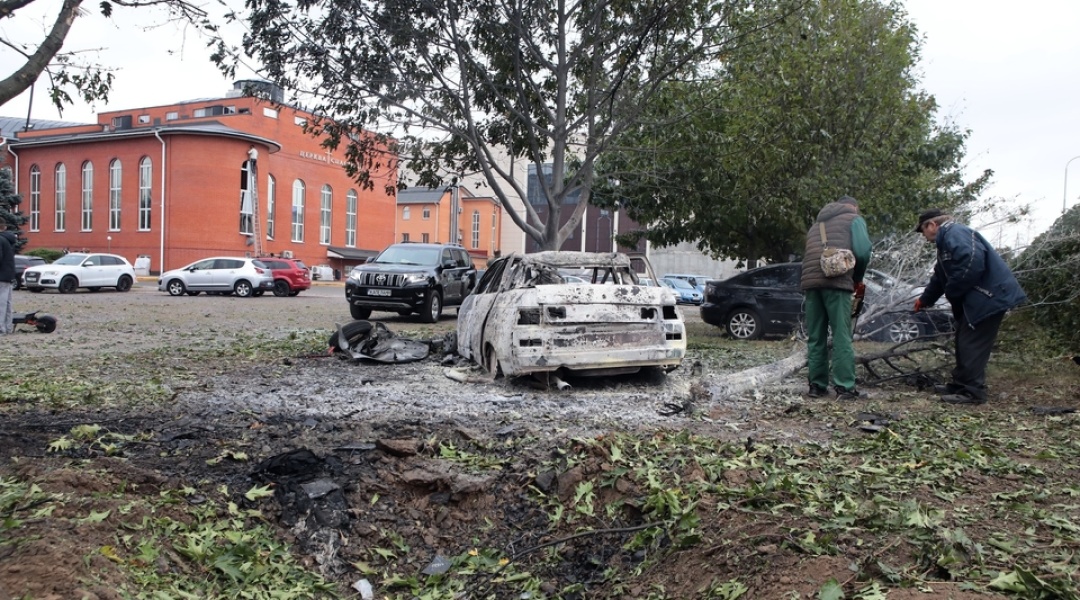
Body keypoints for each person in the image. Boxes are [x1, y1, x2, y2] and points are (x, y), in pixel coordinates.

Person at [913, 209, 1026, 405]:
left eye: (922, 230)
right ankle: (960, 385)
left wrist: (953, 292)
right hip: (980, 298)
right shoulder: (947, 242)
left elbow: (971, 262)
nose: (924, 236)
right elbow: (940, 276)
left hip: (988, 297)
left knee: (971, 343)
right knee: (963, 339)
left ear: (931, 225)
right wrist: (925, 299)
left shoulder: (955, 232)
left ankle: (973, 393)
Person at [801, 196, 872, 400]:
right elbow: (863, 252)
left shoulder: (817, 224)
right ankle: (845, 387)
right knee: (841, 335)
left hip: (811, 284)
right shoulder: (854, 219)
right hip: (837, 283)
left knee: (816, 336)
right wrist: (857, 279)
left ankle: (817, 385)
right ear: (854, 207)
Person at [0, 227, 16, 335]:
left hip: (1, 275)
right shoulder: (8, 239)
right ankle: (8, 327)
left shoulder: (1, 239)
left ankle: (2, 328)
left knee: (1, 303)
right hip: (8, 275)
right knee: (7, 302)